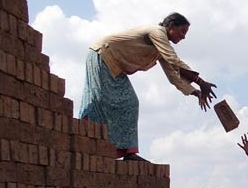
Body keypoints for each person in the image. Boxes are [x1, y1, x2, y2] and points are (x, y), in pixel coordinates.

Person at [78, 12, 217, 162]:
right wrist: (201, 82)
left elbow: (173, 75)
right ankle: (82, 137)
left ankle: (127, 151)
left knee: (130, 103)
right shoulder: (157, 32)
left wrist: (196, 93)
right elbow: (173, 59)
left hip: (114, 65)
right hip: (102, 55)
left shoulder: (160, 47)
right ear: (171, 26)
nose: (184, 37)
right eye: (182, 31)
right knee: (100, 100)